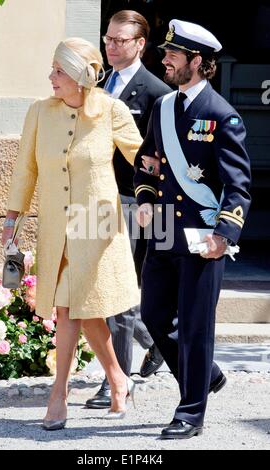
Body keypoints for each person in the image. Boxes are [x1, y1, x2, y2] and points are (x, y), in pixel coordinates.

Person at [2, 37, 144, 429]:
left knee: (68, 307)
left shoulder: (111, 111)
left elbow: (145, 159)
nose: (51, 77)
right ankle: (118, 378)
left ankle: (58, 394)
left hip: (95, 225)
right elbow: (25, 169)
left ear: (81, 77)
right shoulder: (39, 113)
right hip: (55, 225)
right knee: (83, 307)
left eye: (59, 70)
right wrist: (11, 219)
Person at [134, 19, 251, 439]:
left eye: (173, 55)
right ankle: (209, 374)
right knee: (154, 315)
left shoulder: (223, 115)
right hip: (164, 230)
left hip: (204, 234)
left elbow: (238, 186)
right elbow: (146, 161)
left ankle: (190, 410)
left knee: (197, 325)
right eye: (165, 53)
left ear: (197, 62)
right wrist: (146, 198)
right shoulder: (162, 108)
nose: (164, 61)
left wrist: (225, 234)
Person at [85, 10, 171, 410]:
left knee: (116, 289)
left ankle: (114, 379)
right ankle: (153, 341)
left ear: (140, 44)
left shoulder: (156, 92)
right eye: (107, 39)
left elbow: (159, 154)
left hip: (132, 202)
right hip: (91, 200)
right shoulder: (94, 85)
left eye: (120, 40)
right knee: (94, 286)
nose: (111, 46)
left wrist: (153, 204)